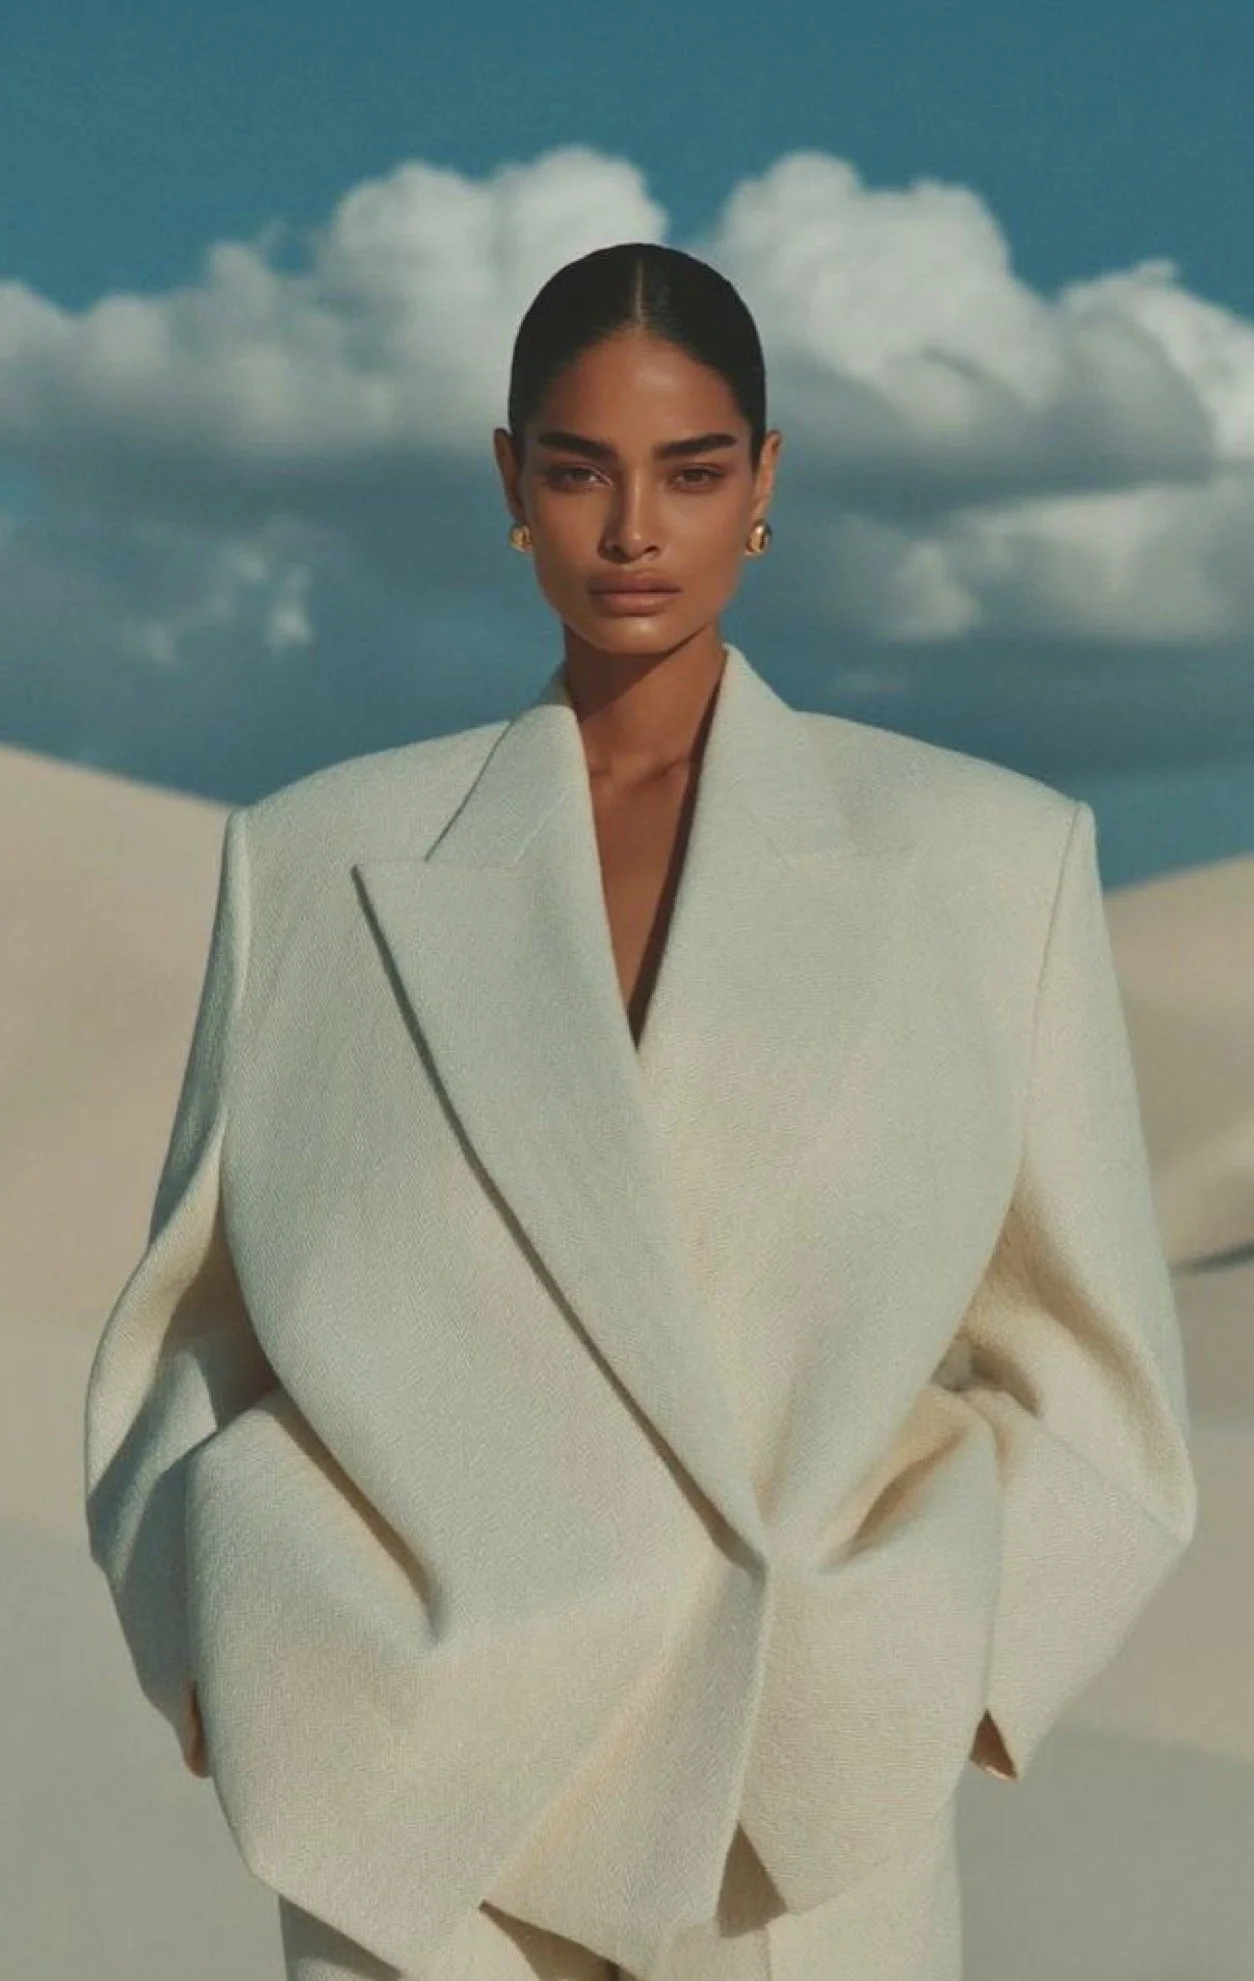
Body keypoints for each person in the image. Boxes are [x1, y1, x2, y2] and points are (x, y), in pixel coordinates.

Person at [84, 242, 1197, 1981]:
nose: (631, 531)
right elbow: (189, 1334)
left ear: (766, 484)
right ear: (508, 481)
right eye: (579, 468)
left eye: (690, 472)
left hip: (797, 1785)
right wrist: (246, 1665)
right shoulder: (319, 859)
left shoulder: (989, 862)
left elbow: (1097, 1365)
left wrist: (936, 1680)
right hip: (420, 1787)